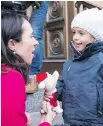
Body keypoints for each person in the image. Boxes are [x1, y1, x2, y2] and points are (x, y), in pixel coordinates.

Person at [45, 8, 103, 126]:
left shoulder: (101, 60)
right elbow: (63, 88)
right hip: (71, 120)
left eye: (81, 33)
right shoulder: (69, 64)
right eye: (74, 32)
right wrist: (53, 90)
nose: (75, 37)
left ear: (95, 36)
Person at [1, 12, 56, 126]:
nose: (36, 42)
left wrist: (17, 116)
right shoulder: (10, 77)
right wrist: (47, 122)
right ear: (12, 44)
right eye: (31, 36)